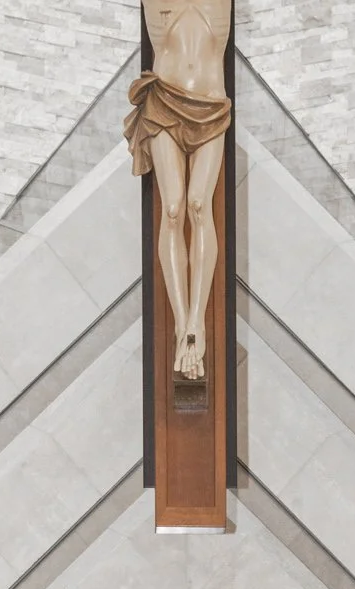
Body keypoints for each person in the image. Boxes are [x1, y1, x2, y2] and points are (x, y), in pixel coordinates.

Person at [123, 0, 231, 380]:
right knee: (173, 209)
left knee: (199, 205)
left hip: (211, 106)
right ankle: (181, 320)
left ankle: (195, 323)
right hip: (164, 102)